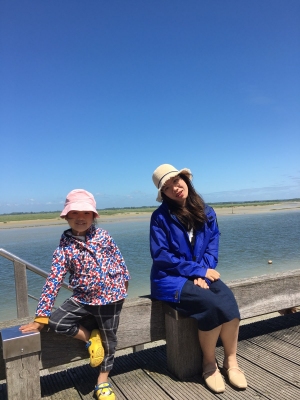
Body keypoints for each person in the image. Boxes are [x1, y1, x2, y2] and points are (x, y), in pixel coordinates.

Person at [20, 189, 130, 400]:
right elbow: (53, 280)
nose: (80, 218)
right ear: (66, 216)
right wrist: (40, 317)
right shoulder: (64, 247)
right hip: (84, 298)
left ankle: (103, 381)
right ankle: (90, 338)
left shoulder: (103, 236)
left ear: (93, 216)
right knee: (57, 322)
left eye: (86, 213)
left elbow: (119, 260)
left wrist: (123, 285)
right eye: (75, 213)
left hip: (111, 298)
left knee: (110, 340)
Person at [150, 164, 247, 393]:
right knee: (209, 305)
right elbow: (162, 256)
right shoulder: (160, 218)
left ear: (185, 179)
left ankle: (231, 361)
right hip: (170, 278)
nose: (175, 187)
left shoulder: (207, 211)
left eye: (176, 180)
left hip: (200, 274)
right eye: (167, 186)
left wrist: (202, 271)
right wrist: (196, 272)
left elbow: (212, 248)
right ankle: (209, 363)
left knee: (229, 303)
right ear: (163, 194)